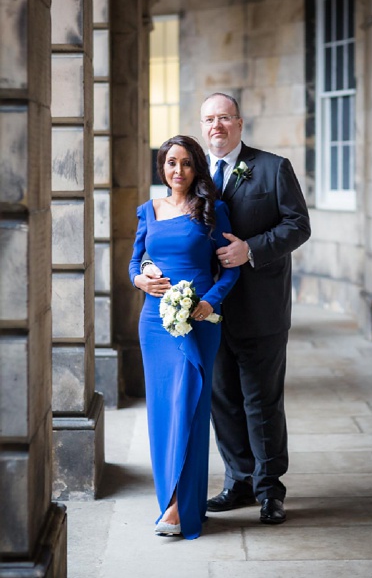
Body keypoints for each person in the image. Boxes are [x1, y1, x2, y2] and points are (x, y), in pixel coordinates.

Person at [143, 93, 311, 525]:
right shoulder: (197, 179)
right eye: (209, 119)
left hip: (261, 309)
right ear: (203, 127)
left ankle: (270, 490)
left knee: (261, 400)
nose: (217, 125)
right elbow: (166, 234)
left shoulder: (273, 168)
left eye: (225, 118)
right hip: (205, 314)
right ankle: (238, 481)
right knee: (222, 401)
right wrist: (146, 267)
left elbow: (298, 225)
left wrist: (251, 250)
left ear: (239, 122)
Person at [130, 135, 240, 539]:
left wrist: (210, 303)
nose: (178, 171)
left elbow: (230, 269)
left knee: (190, 407)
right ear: (162, 167)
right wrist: (142, 278)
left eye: (186, 164)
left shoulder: (214, 211)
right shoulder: (148, 210)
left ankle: (182, 506)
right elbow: (135, 261)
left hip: (199, 320)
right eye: (170, 163)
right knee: (163, 411)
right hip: (154, 325)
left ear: (197, 169)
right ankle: (173, 502)